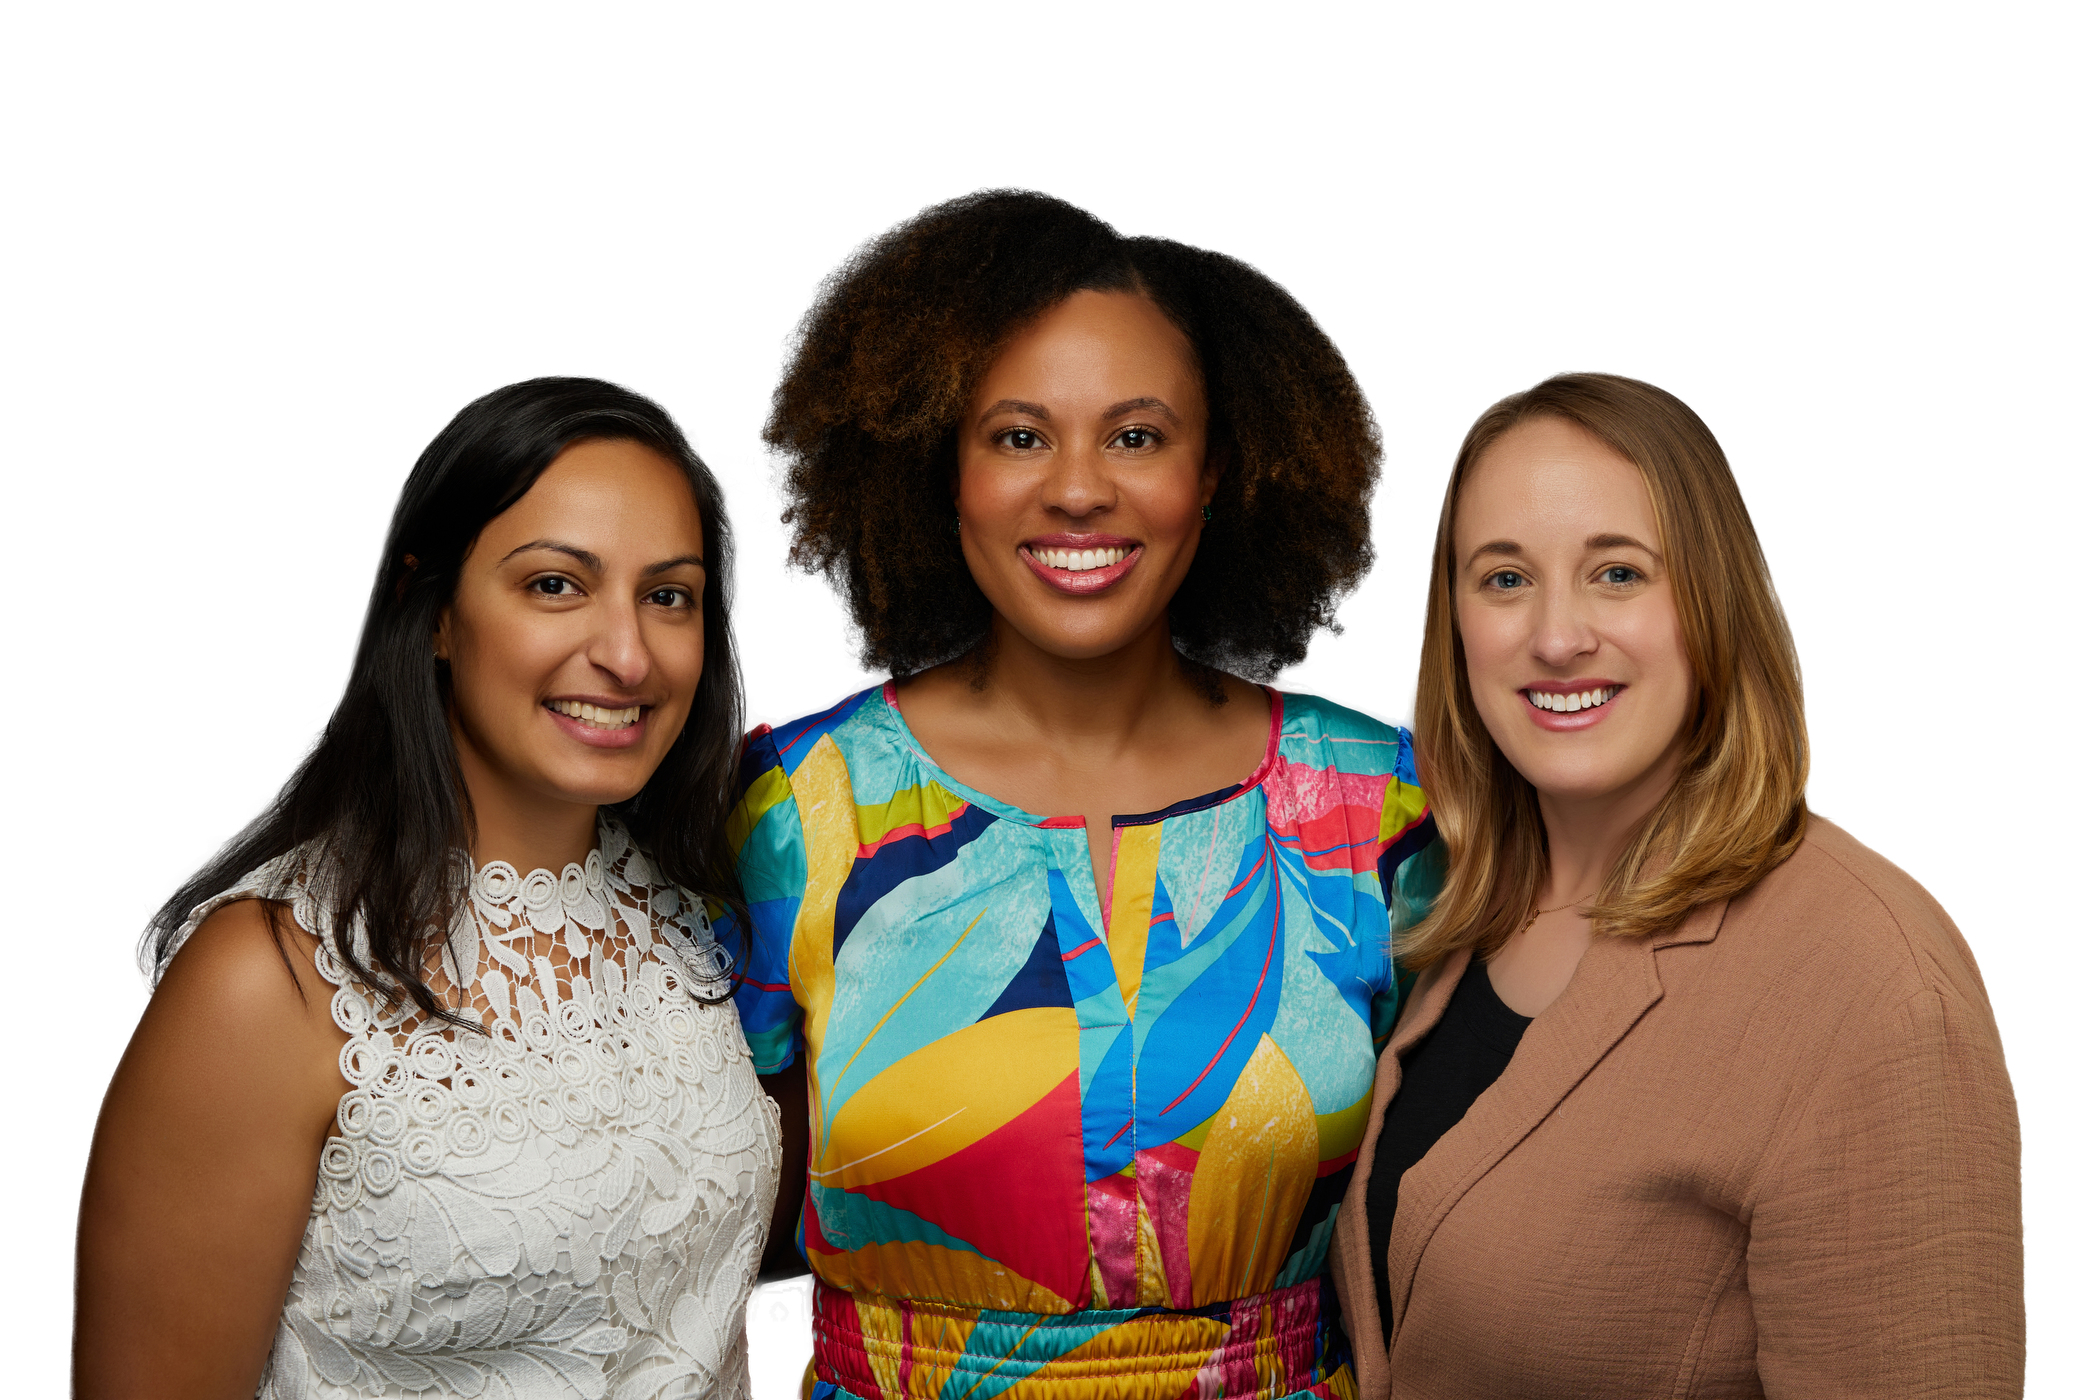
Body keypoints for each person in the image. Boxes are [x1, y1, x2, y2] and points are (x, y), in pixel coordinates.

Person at [731, 190, 1440, 1399]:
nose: (1076, 489)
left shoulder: (1377, 805)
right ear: (938, 466)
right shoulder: (803, 808)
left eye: (1136, 435)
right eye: (1017, 435)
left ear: (1214, 472)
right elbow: (681, 1222)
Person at [75, 379, 781, 1399]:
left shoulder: (702, 912)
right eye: (555, 584)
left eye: (668, 594)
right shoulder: (267, 975)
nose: (628, 653)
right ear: (436, 610)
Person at [1330, 372, 2022, 1397]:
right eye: (1504, 577)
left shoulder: (1874, 981)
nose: (1557, 634)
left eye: (1616, 573)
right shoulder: (1447, 902)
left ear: (1712, 598)